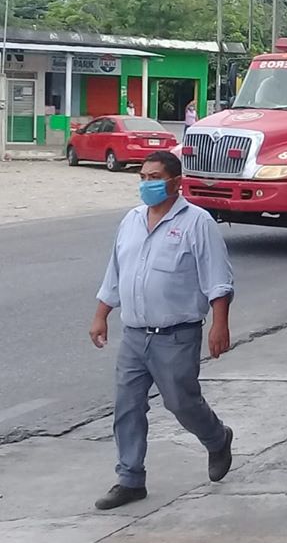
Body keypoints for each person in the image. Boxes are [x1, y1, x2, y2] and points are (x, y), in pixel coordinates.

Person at [90, 151, 235, 510]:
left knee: (181, 403)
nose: (146, 184)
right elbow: (115, 273)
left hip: (177, 335)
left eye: (154, 177)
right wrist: (101, 315)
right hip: (135, 335)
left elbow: (218, 279)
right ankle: (130, 478)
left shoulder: (197, 223)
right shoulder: (131, 221)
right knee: (127, 406)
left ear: (175, 182)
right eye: (142, 177)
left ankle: (217, 438)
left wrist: (220, 325)